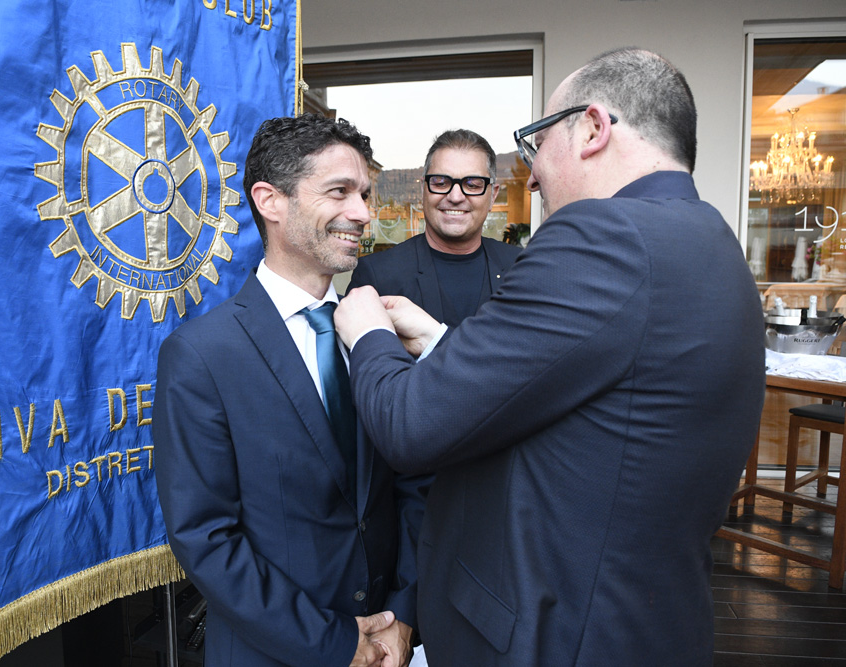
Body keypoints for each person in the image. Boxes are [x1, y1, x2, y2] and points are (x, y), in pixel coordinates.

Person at [334, 48, 765, 666]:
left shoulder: (602, 237)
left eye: (538, 141)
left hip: (557, 634)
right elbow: (595, 394)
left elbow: (410, 425)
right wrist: (439, 339)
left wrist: (369, 332)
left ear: (592, 128)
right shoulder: (715, 243)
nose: (530, 176)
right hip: (648, 624)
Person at [153, 113, 428, 667]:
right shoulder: (202, 355)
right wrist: (335, 642)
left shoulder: (375, 331)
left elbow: (414, 485)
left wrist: (403, 616)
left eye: (365, 195)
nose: (364, 213)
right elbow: (206, 538)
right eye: (340, 192)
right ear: (270, 200)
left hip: (392, 646)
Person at [347, 130, 521, 328]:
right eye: (441, 183)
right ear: (423, 190)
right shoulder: (377, 276)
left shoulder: (523, 270)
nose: (455, 197)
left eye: (472, 185)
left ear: (493, 196)